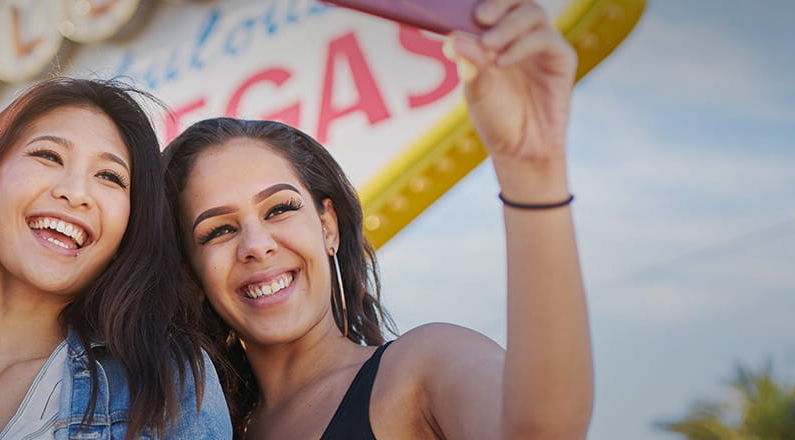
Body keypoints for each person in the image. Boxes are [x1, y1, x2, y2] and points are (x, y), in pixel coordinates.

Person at [161, 1, 592, 438]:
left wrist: (532, 171)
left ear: (328, 227)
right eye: (219, 230)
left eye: (280, 209)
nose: (257, 244)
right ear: (189, 275)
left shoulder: (420, 369)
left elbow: (539, 430)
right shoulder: (199, 428)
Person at [0, 78, 230, 439]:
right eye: (49, 155)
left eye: (109, 176)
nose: (75, 192)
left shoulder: (168, 380)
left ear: (130, 226)